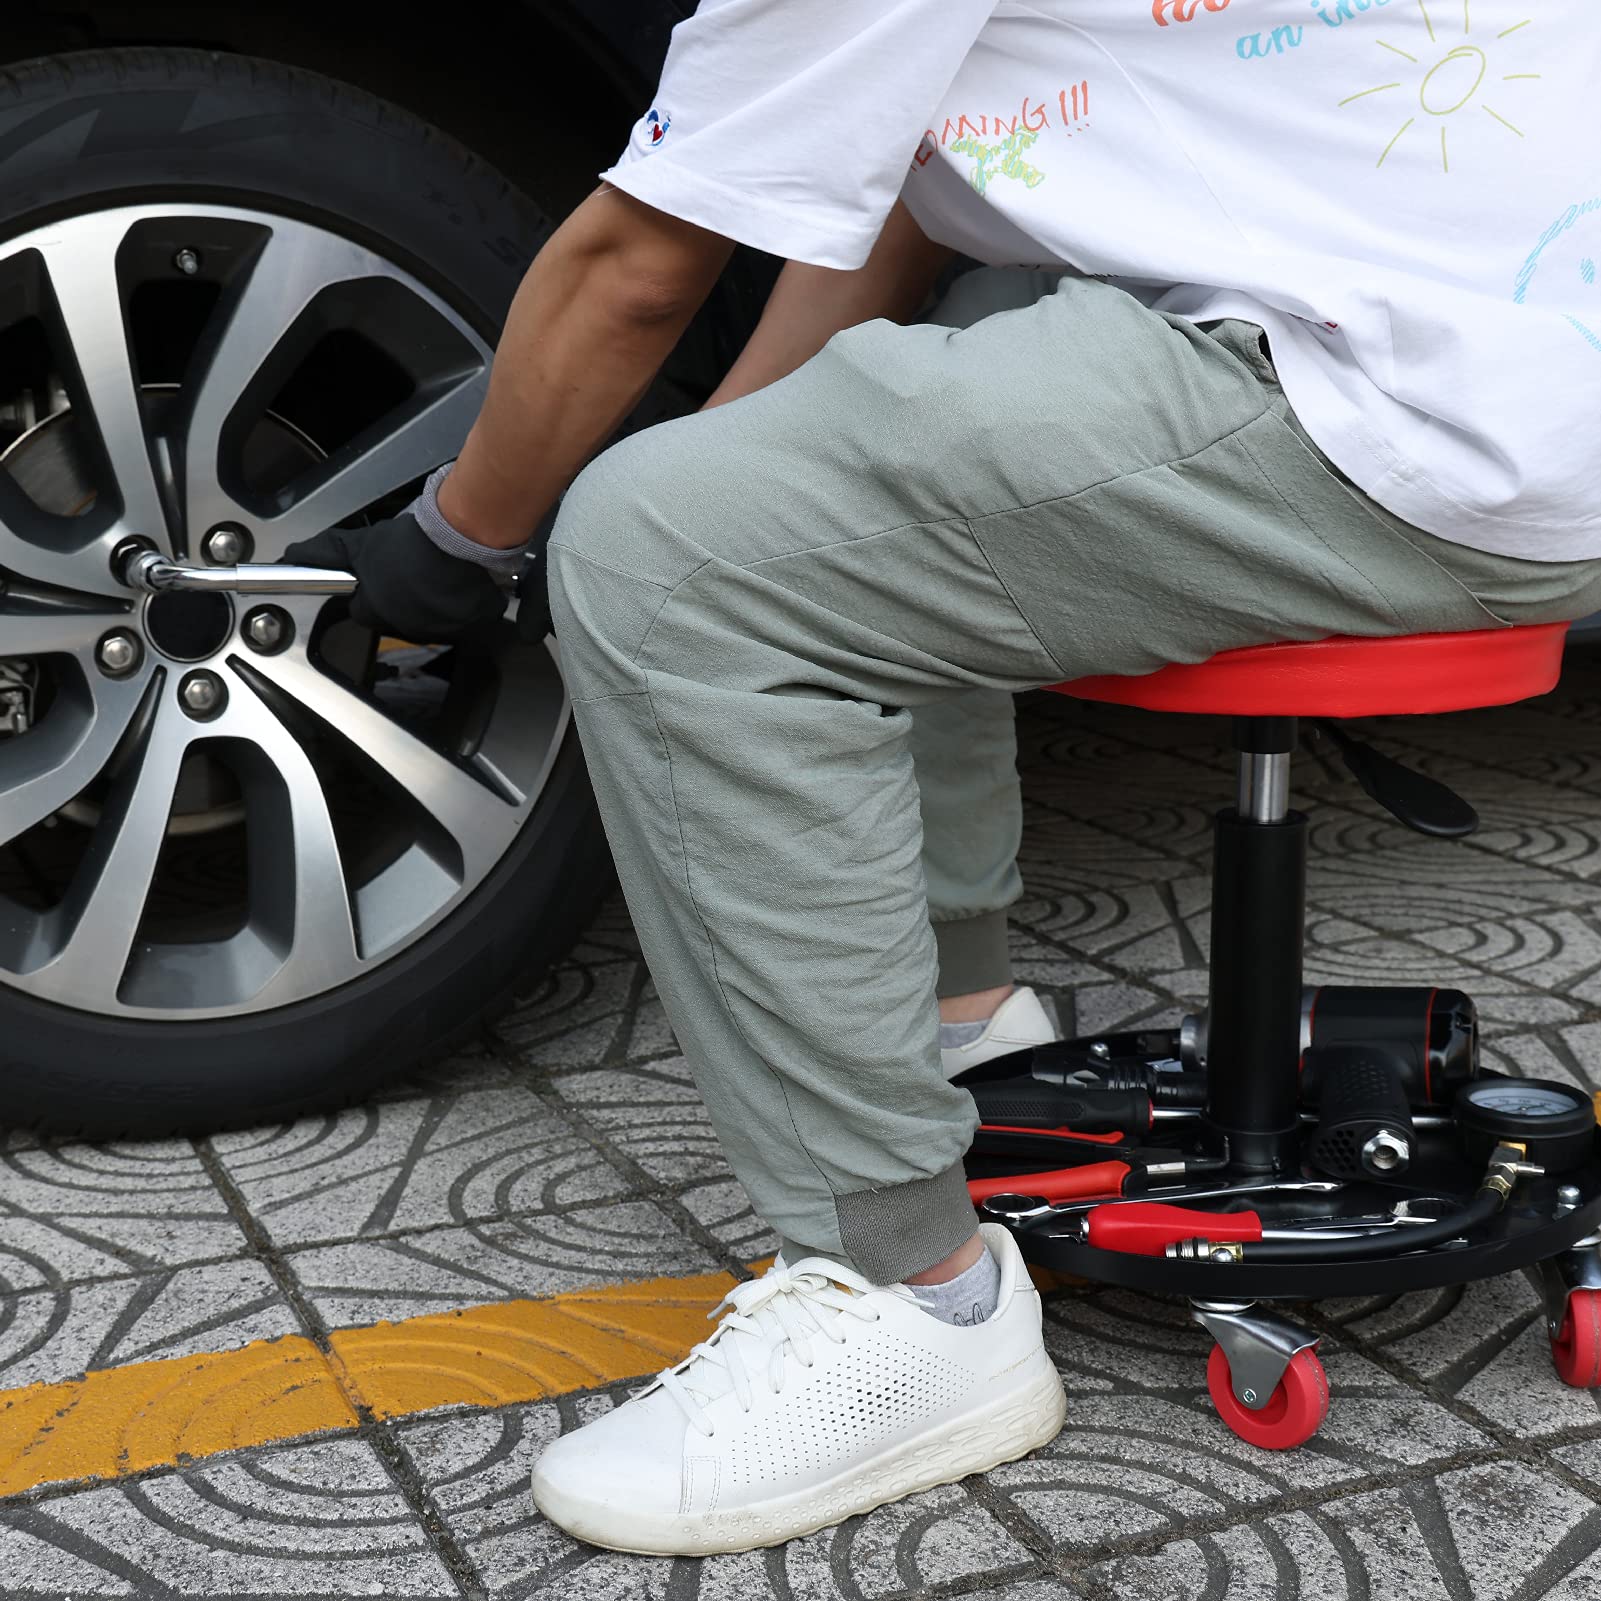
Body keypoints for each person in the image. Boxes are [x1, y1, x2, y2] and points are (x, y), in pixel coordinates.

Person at [289, 0, 1601, 1557]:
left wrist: (457, 546)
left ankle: (918, 1304)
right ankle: (958, 1018)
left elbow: (630, 270)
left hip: (1428, 425)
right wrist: (732, 501)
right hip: (1516, 345)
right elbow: (890, 236)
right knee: (797, 485)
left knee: (658, 549)